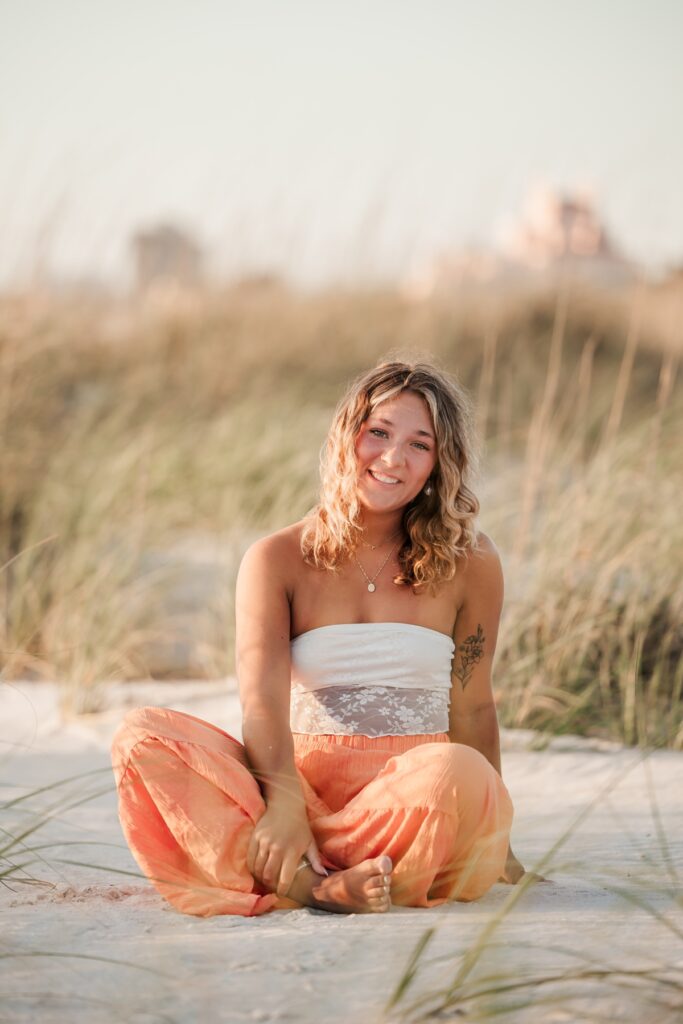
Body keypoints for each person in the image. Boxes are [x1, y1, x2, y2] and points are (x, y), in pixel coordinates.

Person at [111, 358, 523, 918]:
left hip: (414, 808)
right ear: (345, 437)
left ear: (439, 463)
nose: (393, 458)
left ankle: (314, 879)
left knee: (458, 769)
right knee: (142, 736)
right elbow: (261, 703)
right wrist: (283, 805)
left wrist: (496, 833)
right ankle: (316, 886)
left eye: (419, 444)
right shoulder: (276, 559)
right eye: (378, 433)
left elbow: (473, 706)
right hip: (299, 802)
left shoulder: (470, 561)